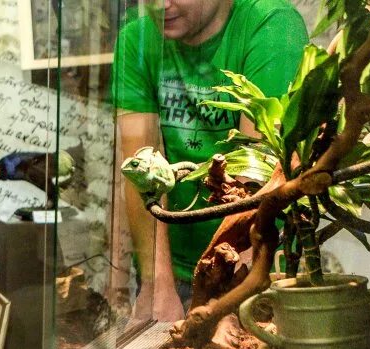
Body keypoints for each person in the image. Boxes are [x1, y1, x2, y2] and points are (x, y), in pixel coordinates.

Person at [112, 0, 308, 319]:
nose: (161, 5)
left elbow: (255, 176)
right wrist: (156, 285)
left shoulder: (272, 25)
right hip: (172, 271)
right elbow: (139, 169)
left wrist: (227, 294)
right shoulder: (137, 36)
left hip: (256, 265)